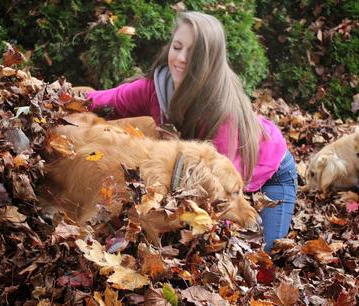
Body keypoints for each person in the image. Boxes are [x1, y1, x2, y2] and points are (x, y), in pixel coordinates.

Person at [86, 11, 297, 252]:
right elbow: (101, 102)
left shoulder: (222, 112)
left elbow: (220, 201)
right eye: (177, 47)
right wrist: (52, 96)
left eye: (194, 54)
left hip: (272, 176)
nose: (181, 58)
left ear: (210, 61)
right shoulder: (155, 89)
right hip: (227, 181)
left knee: (259, 255)